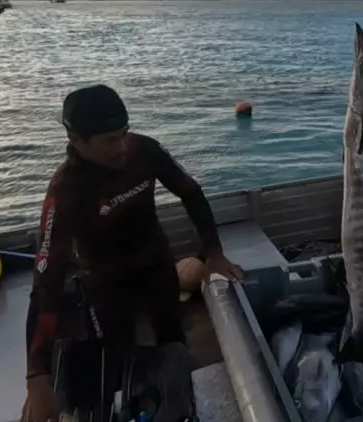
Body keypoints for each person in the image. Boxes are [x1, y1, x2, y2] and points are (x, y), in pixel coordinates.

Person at [22, 84, 244, 422]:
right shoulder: (65, 191)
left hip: (155, 263)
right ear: (77, 140)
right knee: (116, 357)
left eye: (124, 134)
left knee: (173, 342)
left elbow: (190, 191)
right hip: (105, 280)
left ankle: (182, 406)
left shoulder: (144, 151)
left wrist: (213, 253)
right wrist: (36, 376)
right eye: (110, 140)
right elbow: (46, 282)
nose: (122, 146)